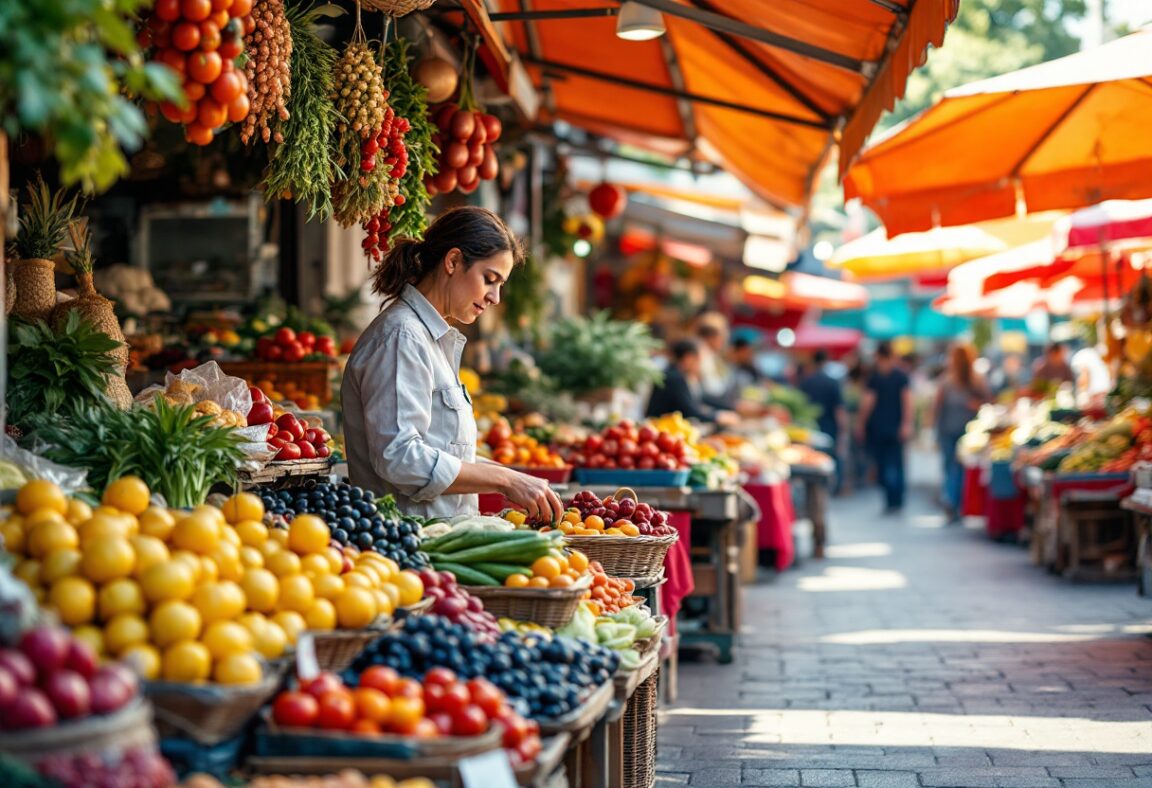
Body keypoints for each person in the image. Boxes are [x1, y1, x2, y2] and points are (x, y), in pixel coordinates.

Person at [342, 207, 563, 523]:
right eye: (489, 279)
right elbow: (400, 457)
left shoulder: (430, 339)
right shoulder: (402, 337)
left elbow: (445, 452)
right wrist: (505, 480)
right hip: (406, 549)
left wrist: (513, 478)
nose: (495, 298)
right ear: (453, 261)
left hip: (438, 543)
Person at [932, 344, 989, 522]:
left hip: (961, 431)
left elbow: (937, 407)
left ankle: (952, 500)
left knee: (953, 467)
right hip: (961, 430)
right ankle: (954, 501)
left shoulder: (961, 380)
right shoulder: (957, 380)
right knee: (958, 467)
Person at [856, 341, 912, 514]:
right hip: (892, 427)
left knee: (885, 464)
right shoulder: (900, 376)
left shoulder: (875, 377)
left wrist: (860, 423)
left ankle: (892, 499)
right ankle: (896, 499)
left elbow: (868, 403)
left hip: (880, 428)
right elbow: (908, 402)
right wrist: (906, 423)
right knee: (895, 463)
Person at [646, 339, 739, 426]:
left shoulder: (681, 375)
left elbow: (701, 399)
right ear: (688, 358)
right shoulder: (673, 378)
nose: (702, 365)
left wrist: (732, 408)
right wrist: (718, 417)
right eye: (701, 360)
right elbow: (689, 411)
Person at [798, 350, 847, 492]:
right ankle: (834, 487)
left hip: (811, 426)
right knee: (831, 459)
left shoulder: (807, 382)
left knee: (813, 461)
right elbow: (839, 409)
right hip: (830, 426)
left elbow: (801, 406)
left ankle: (818, 489)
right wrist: (843, 430)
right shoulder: (833, 383)